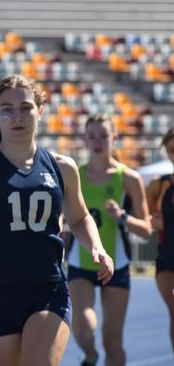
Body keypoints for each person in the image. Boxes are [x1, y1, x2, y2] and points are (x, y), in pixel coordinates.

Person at [0, 74, 114, 366]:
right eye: (7, 109)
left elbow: (80, 216)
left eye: (25, 107)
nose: (17, 116)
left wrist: (96, 246)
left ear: (40, 111)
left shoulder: (62, 167)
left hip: (47, 288)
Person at [67, 114, 152, 366]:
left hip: (118, 265)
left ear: (114, 138)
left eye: (104, 135)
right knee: (82, 330)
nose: (97, 141)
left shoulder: (129, 179)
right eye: (91, 135)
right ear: (84, 139)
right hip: (81, 263)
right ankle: (90, 356)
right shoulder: (74, 175)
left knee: (112, 342)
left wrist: (123, 216)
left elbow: (146, 230)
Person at [146, 127, 174, 354]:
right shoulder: (159, 184)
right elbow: (143, 215)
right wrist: (153, 222)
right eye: (172, 150)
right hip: (166, 258)